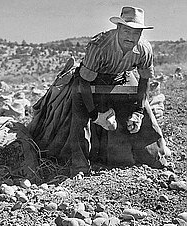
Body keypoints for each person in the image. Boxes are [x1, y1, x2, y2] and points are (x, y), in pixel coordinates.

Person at [28, 6, 170, 177]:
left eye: (136, 33)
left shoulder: (144, 49)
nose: (131, 37)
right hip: (91, 80)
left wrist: (138, 111)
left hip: (121, 77)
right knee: (79, 115)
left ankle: (155, 159)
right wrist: (95, 115)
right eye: (127, 31)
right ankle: (79, 165)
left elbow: (144, 80)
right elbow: (85, 82)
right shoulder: (99, 45)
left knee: (146, 114)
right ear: (118, 28)